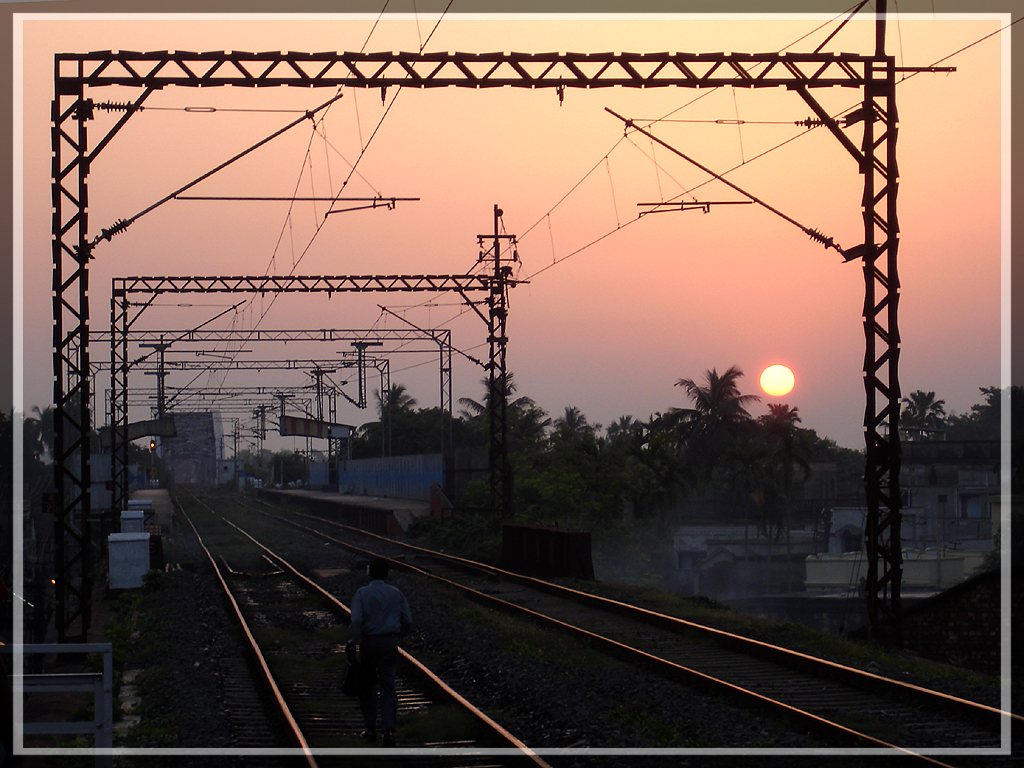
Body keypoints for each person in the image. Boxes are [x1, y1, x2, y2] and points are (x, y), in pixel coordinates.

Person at [348, 558, 412, 747]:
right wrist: (399, 634)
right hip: (388, 642)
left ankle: (370, 728)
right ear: (387, 574)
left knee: (367, 686)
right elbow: (407, 619)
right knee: (388, 686)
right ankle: (388, 730)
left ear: (369, 573)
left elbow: (357, 621)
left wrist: (353, 642)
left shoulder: (362, 593)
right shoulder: (395, 593)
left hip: (369, 643)